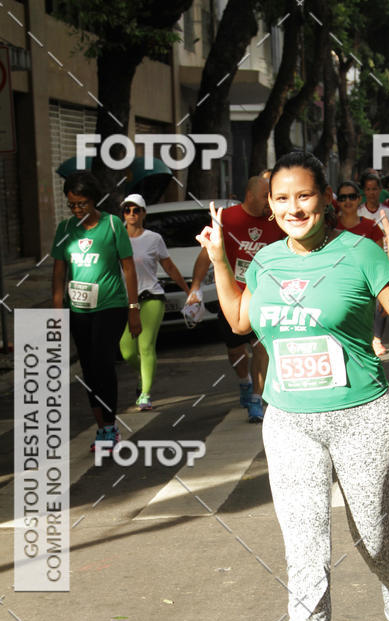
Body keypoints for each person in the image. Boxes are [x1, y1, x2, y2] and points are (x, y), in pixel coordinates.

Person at [197, 151, 389, 621]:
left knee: (374, 538)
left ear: (325, 198)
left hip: (362, 416)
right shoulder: (266, 259)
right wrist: (221, 261)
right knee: (306, 561)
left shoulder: (361, 251)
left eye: (303, 196)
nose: (292, 208)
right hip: (289, 422)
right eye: (281, 199)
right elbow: (239, 321)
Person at [51, 170, 140, 449]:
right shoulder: (65, 229)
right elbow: (59, 271)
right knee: (89, 369)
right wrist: (57, 309)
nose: (77, 210)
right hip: (78, 309)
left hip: (110, 306)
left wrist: (133, 308)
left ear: (93, 200)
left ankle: (110, 427)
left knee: (102, 363)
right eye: (72, 205)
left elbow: (128, 268)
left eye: (82, 204)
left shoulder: (112, 225)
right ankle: (101, 427)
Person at [188, 175, 283, 423]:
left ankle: (256, 397)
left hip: (263, 296)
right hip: (231, 296)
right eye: (264, 196)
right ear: (249, 196)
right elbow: (206, 254)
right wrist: (195, 287)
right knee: (235, 350)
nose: (268, 202)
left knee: (261, 347)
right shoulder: (227, 218)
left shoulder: (274, 221)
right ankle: (244, 382)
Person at [118, 193, 189, 410]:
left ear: (143, 214)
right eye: (127, 210)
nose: (131, 214)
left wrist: (189, 291)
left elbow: (169, 267)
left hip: (151, 297)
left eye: (136, 210)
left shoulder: (153, 239)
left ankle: (145, 395)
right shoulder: (116, 236)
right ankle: (143, 373)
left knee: (146, 345)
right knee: (127, 350)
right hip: (125, 300)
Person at [335, 180, 387, 356]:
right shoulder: (329, 227)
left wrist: (382, 295)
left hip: (364, 288)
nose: (347, 201)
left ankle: (374, 342)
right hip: (338, 287)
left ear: (359, 199)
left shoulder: (371, 226)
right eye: (343, 198)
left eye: (351, 196)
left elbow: (380, 261)